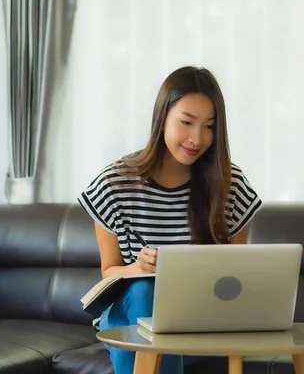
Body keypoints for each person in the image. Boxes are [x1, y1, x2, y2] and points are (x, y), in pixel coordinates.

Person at [77, 66, 263, 374]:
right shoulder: (114, 184)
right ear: (162, 116)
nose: (197, 138)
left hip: (200, 318)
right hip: (129, 313)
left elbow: (237, 272)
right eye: (186, 122)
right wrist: (137, 268)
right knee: (142, 292)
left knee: (135, 350)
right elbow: (109, 272)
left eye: (209, 126)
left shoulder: (229, 185)